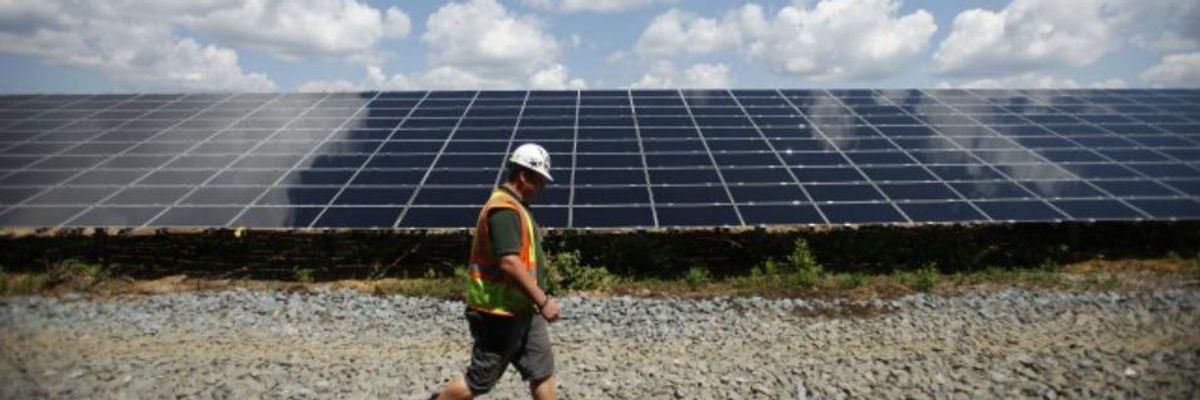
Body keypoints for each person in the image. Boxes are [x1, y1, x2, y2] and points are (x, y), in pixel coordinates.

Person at [434, 143, 561, 400]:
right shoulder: (504, 210)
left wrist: (536, 301)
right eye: (539, 181)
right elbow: (509, 262)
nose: (541, 188)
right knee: (478, 381)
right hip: (500, 313)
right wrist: (543, 301)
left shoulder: (518, 207)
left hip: (525, 308)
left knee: (542, 371)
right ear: (523, 176)